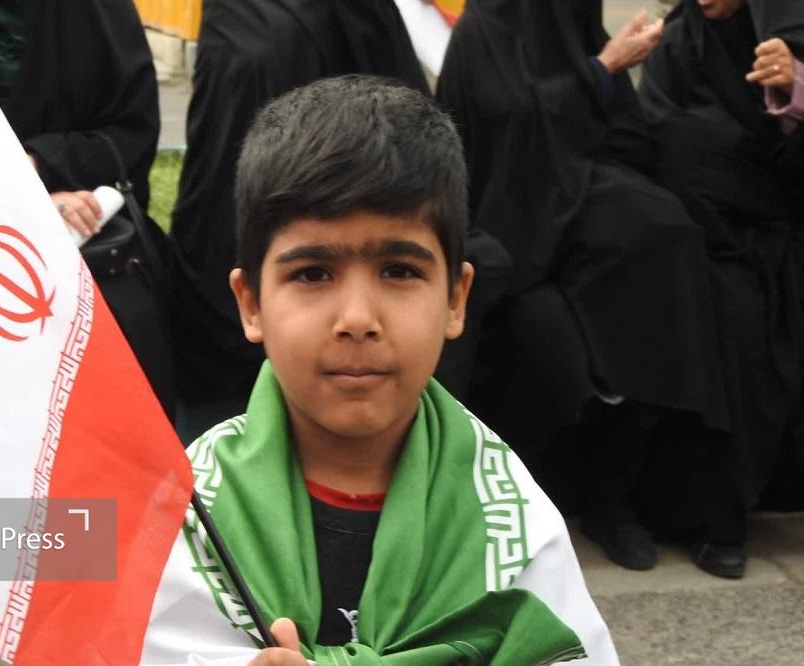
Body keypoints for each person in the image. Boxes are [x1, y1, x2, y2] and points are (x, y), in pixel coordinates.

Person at [139, 76, 619, 665]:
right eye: (313, 273)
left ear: (456, 299)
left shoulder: (513, 523)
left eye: (398, 271)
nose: (358, 319)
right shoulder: (188, 511)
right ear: (251, 305)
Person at [435, 0, 743, 575]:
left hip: (580, 210)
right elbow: (510, 131)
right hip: (512, 220)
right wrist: (602, 70)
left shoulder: (569, 21)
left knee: (672, 246)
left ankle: (627, 494)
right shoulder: (487, 28)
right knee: (557, 343)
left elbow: (624, 130)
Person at [168, 0, 430, 443]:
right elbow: (212, 149)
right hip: (219, 269)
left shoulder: (359, 13)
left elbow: (405, 134)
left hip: (342, 256)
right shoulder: (231, 13)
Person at [0, 0, 176, 417]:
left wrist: (41, 164)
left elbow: (132, 131)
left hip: (85, 257)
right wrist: (19, 194)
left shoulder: (96, 13)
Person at [639, 0, 804, 568]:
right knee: (730, 335)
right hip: (709, 238)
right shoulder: (681, 41)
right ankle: (713, 519)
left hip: (783, 228)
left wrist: (795, 87)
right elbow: (661, 139)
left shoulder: (785, 33)